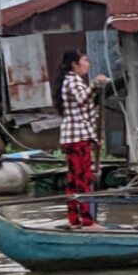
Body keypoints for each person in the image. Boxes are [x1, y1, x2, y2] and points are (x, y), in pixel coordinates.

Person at [53, 50, 109, 230]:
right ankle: (87, 221)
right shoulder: (74, 80)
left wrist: (95, 137)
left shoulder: (69, 80)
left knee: (73, 180)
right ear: (74, 65)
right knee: (83, 179)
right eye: (84, 60)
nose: (88, 64)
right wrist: (96, 84)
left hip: (75, 137)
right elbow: (83, 100)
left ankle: (74, 220)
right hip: (77, 138)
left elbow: (86, 113)